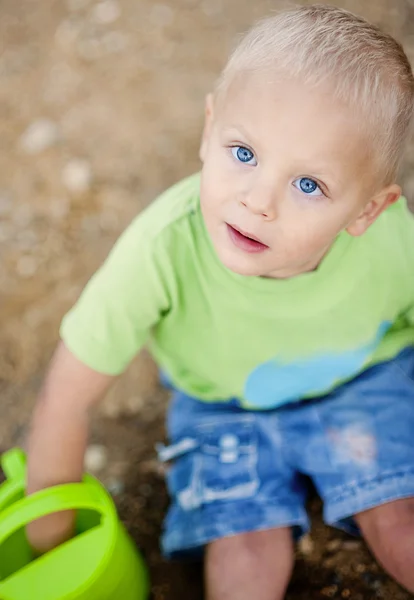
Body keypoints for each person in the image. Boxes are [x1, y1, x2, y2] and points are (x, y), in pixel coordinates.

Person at [26, 5, 414, 599]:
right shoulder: (160, 249)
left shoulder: (395, 244)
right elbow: (66, 397)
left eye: (308, 184)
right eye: (243, 152)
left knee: (398, 524)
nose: (259, 200)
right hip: (223, 408)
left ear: (367, 211)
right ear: (210, 130)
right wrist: (49, 549)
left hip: (362, 381)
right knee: (244, 553)